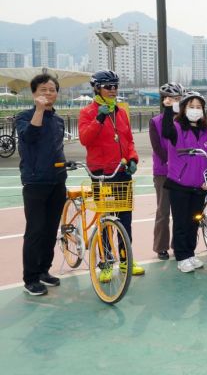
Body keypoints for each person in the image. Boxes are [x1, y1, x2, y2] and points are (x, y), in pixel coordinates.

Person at [78, 70, 144, 277]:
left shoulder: (122, 112)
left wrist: (133, 158)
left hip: (122, 171)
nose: (113, 90)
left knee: (125, 219)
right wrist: (99, 118)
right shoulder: (88, 112)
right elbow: (85, 139)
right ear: (97, 88)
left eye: (115, 86)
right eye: (108, 86)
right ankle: (105, 265)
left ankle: (126, 261)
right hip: (101, 173)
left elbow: (128, 140)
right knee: (105, 218)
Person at [17, 73, 67, 296]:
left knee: (50, 230)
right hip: (35, 182)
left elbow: (56, 148)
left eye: (52, 89)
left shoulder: (58, 120)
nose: (48, 93)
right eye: (43, 90)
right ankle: (30, 278)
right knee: (35, 230)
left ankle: (44, 270)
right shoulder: (23, 116)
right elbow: (29, 137)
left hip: (57, 181)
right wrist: (39, 111)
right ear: (34, 93)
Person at [162, 91, 207, 273]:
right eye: (191, 106)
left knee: (194, 221)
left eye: (199, 107)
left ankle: (191, 253)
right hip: (179, 185)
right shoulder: (176, 127)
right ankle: (181, 256)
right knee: (181, 222)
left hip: (199, 187)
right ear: (184, 109)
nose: (195, 110)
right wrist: (168, 109)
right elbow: (166, 131)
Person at [150, 82, 184, 261]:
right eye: (172, 99)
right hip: (163, 172)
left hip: (183, 172)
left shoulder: (185, 119)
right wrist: (172, 162)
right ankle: (161, 246)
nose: (175, 102)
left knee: (181, 212)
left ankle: (179, 245)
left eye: (179, 99)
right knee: (163, 211)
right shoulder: (155, 121)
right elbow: (158, 148)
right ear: (164, 100)